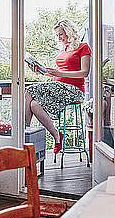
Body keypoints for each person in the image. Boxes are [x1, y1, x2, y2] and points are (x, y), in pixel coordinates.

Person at [25, 19, 91, 154]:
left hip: (74, 90)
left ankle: (25, 133)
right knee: (34, 105)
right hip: (59, 87)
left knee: (29, 90)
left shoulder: (83, 47)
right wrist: (40, 71)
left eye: (61, 34)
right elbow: (57, 74)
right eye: (57, 35)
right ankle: (56, 134)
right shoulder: (63, 50)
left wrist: (59, 72)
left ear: (69, 32)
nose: (59, 38)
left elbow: (85, 72)